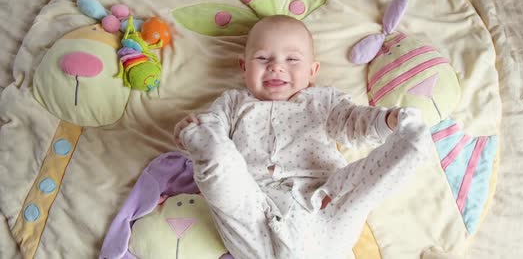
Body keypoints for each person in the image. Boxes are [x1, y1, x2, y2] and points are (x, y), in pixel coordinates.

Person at [174, 15, 433, 259]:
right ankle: (205, 150)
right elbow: (214, 126)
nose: (276, 67)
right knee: (221, 172)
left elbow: (354, 122)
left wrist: (385, 121)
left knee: (361, 185)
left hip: (326, 203)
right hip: (256, 207)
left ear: (312, 70)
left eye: (292, 60)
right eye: (263, 58)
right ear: (244, 66)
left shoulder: (323, 101)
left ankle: (410, 144)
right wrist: (196, 131)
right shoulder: (232, 103)